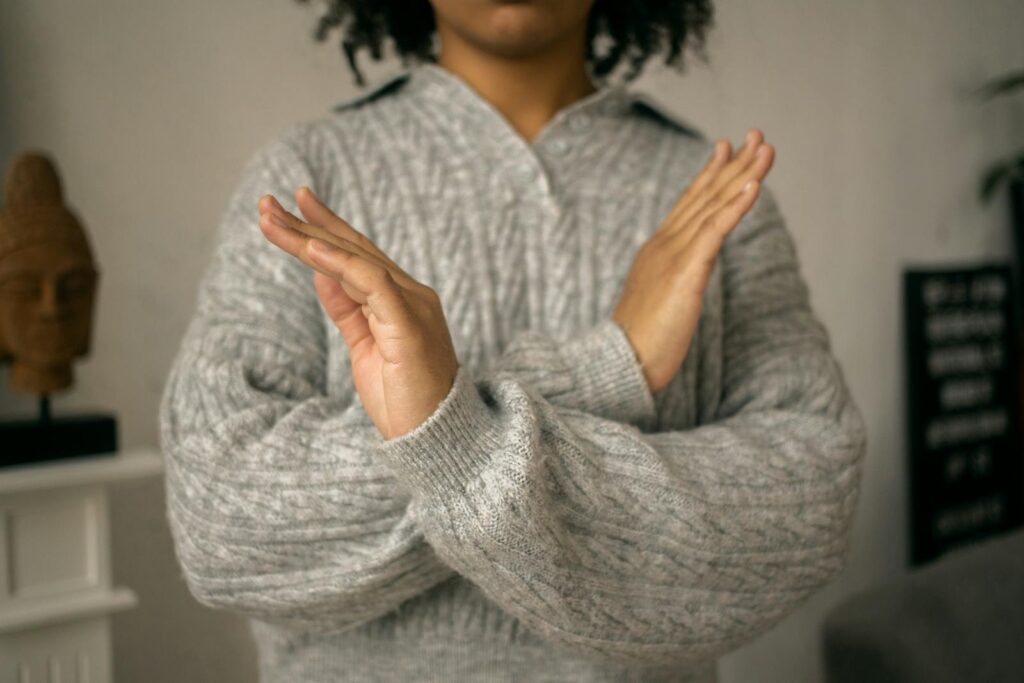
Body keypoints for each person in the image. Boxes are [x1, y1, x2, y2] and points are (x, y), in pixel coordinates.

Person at [158, 1, 869, 681]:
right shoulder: (307, 178)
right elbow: (221, 519)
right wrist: (605, 368)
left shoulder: (715, 195)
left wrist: (448, 434)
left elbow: (810, 496)